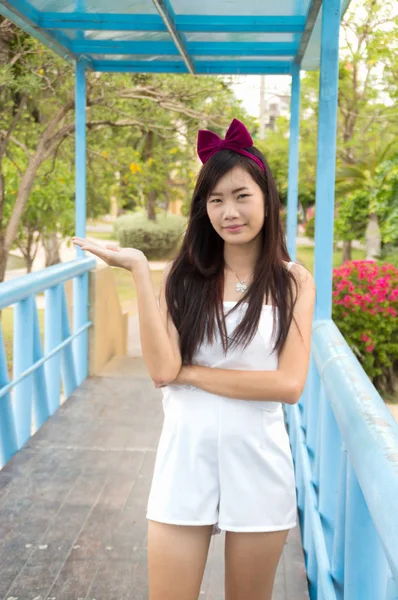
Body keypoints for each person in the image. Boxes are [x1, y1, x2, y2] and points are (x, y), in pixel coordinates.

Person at [73, 118, 316, 600]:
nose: (229, 211)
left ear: (267, 198)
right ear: (203, 209)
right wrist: (141, 270)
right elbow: (163, 370)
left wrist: (193, 374)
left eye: (241, 196)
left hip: (259, 463)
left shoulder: (293, 282)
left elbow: (288, 385)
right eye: (216, 200)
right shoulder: (183, 279)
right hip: (184, 460)